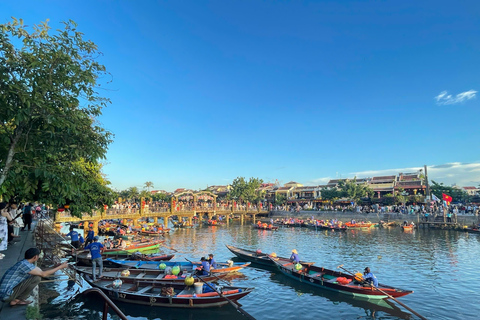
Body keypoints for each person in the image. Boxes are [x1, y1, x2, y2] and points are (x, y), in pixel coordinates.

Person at [0, 247, 68, 306]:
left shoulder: (25, 263)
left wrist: (55, 267)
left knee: (37, 276)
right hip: (6, 295)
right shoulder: (25, 265)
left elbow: (41, 271)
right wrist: (61, 267)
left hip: (5, 293)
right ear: (35, 257)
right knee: (36, 278)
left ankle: (16, 299)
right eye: (38, 256)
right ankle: (17, 300)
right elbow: (43, 274)